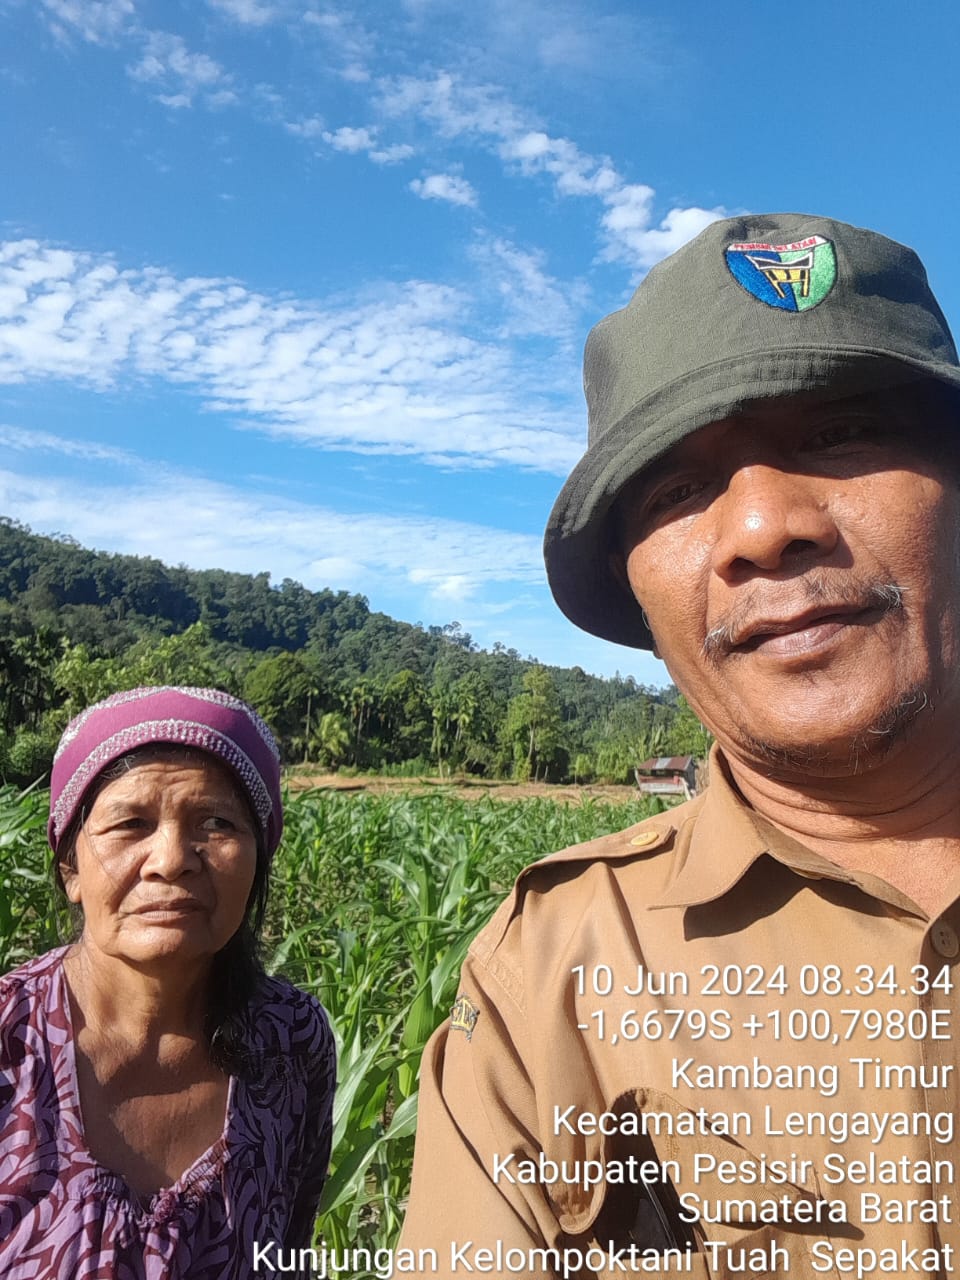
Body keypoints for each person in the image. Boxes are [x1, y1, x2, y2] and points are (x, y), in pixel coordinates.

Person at [401, 215, 960, 1278]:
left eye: (840, 432)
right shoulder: (548, 977)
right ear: (640, 600)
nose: (763, 527)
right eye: (677, 489)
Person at [0, 686, 336, 1278]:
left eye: (217, 823)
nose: (171, 858)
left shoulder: (291, 1041)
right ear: (70, 867)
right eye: (131, 823)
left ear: (259, 859)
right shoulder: (11, 1039)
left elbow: (291, 1249)